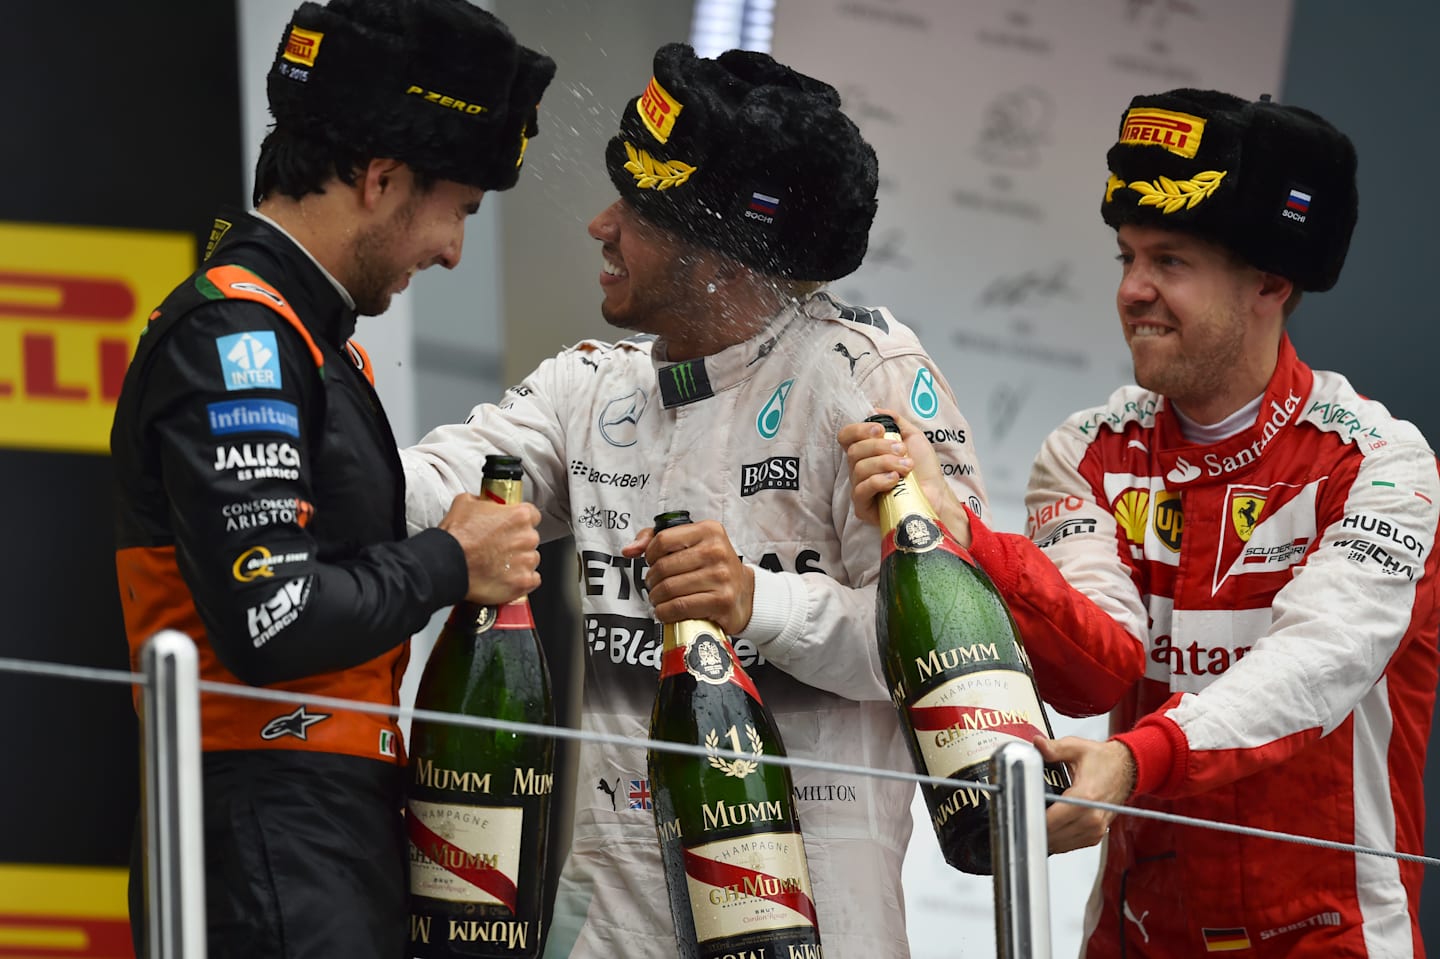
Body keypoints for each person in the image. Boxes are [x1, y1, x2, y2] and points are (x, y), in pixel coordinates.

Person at [403, 43, 990, 958]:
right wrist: (305, 416)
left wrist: (760, 602)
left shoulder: (862, 373)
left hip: (815, 912)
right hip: (612, 912)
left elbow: (954, 661)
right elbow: (433, 487)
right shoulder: (589, 387)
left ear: (724, 248)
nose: (602, 224)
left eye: (638, 209)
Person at [841, 88, 1440, 956]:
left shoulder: (1382, 464)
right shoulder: (1084, 452)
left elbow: (1315, 671)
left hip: (1330, 939)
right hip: (1134, 937)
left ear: (1272, 281)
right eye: (1125, 256)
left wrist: (1133, 760)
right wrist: (961, 533)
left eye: (1170, 260)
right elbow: (1096, 668)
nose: (1132, 290)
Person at [109, 2, 554, 956]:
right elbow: (272, 616)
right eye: (459, 213)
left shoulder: (304, 342)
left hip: (311, 830)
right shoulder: (239, 336)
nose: (452, 251)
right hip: (266, 829)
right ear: (382, 177)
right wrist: (449, 559)